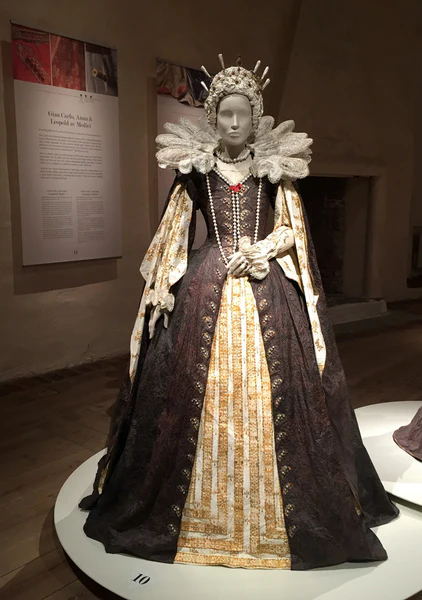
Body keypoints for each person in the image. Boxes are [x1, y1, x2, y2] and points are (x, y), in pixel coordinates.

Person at [80, 55, 398, 570]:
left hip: (265, 284)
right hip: (205, 281)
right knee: (180, 391)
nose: (233, 123)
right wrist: (162, 292)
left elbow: (293, 228)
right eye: (225, 114)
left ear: (255, 117)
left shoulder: (274, 170)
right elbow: (172, 236)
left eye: (242, 114)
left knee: (288, 392)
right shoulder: (195, 171)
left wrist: (265, 248)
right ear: (213, 117)